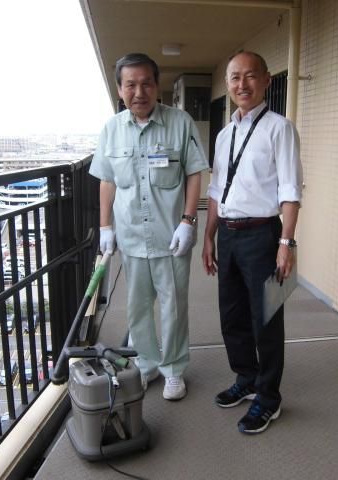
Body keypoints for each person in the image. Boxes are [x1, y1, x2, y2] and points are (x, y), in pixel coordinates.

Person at [90, 53, 208, 401]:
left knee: (173, 307)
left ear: (157, 86)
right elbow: (107, 181)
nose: (139, 92)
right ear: (119, 89)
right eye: (131, 85)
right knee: (137, 308)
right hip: (131, 236)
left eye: (146, 84)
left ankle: (173, 369)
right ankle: (146, 364)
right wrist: (105, 226)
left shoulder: (179, 122)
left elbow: (194, 172)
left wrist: (188, 220)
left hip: (171, 236)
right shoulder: (111, 129)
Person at [202, 51, 303, 433]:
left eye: (250, 76)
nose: (241, 84)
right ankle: (246, 377)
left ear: (266, 81)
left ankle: (269, 398)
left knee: (266, 320)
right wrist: (209, 236)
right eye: (234, 77)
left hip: (263, 234)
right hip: (228, 234)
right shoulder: (224, 134)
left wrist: (286, 243)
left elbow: (290, 189)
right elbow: (216, 189)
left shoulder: (280, 128)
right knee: (232, 316)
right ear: (228, 84)